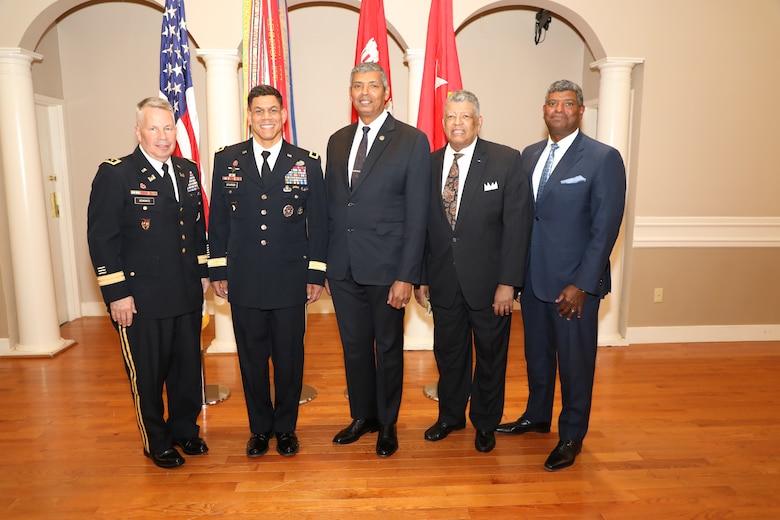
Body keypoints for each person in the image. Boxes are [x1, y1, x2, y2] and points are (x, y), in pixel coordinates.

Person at [496, 79, 626, 471]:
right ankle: (537, 416)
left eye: (568, 104)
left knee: (574, 364)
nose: (558, 110)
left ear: (581, 111)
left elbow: (606, 228)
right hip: (533, 282)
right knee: (536, 357)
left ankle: (571, 435)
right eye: (552, 103)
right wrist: (514, 276)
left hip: (573, 288)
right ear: (543, 110)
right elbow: (522, 218)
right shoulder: (530, 155)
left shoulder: (603, 158)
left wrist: (583, 284)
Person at [87, 97, 210, 469]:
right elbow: (101, 239)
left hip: (186, 292)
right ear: (138, 131)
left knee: (187, 369)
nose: (162, 136)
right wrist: (117, 293)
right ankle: (155, 441)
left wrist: (203, 272)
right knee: (148, 374)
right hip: (141, 300)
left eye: (168, 127)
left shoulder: (187, 171)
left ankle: (185, 430)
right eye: (153, 128)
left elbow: (196, 227)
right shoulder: (116, 174)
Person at [208, 85, 327, 458]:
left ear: (283, 115)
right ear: (249, 116)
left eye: (272, 110)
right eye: (258, 111)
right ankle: (260, 428)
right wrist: (218, 270)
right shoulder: (227, 160)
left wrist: (315, 274)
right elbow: (219, 222)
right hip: (243, 279)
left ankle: (286, 428)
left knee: (290, 359)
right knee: (251, 359)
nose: (266, 118)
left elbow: (319, 224)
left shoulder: (306, 162)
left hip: (290, 280)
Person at [413, 90, 531, 453]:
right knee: (449, 355)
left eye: (465, 116)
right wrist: (421, 277)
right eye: (451, 117)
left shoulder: (506, 161)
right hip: (443, 284)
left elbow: (517, 228)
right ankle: (450, 416)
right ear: (443, 122)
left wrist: (508, 284)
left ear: (479, 121)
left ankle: (485, 422)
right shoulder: (428, 165)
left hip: (490, 286)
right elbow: (420, 226)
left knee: (491, 357)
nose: (458, 123)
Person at [325, 62, 430, 457]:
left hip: (388, 270)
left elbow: (418, 214)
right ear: (350, 93)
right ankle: (362, 416)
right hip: (344, 267)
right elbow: (332, 207)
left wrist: (407, 274)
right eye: (357, 86)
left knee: (387, 347)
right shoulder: (337, 141)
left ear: (387, 93)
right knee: (353, 346)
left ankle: (387, 423)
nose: (364, 92)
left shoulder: (411, 140)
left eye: (372, 85)